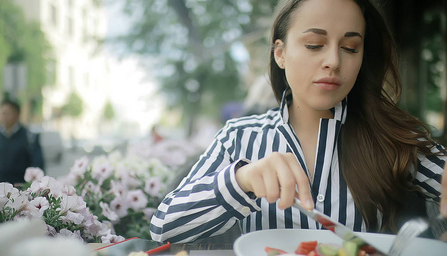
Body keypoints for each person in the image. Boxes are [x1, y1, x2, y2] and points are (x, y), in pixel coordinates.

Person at [150, 0, 447, 243]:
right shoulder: (238, 138)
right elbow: (163, 226)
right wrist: (242, 181)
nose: (333, 60)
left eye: (350, 48)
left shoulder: (391, 137)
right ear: (280, 53)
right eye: (315, 44)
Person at [0, 100, 44, 185]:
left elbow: (38, 165)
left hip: (21, 191)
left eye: (7, 113)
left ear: (17, 114)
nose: (3, 116)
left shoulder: (30, 137)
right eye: (2, 113)